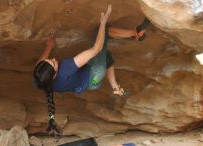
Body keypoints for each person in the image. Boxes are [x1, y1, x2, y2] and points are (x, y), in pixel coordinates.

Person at [33, 5, 150, 136]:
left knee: (108, 57)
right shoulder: (65, 68)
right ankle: (136, 32)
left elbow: (40, 64)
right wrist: (103, 23)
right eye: (54, 63)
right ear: (54, 75)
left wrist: (49, 47)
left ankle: (116, 88)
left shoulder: (41, 80)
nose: (54, 59)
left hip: (90, 85)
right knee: (100, 33)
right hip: (94, 72)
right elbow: (96, 49)